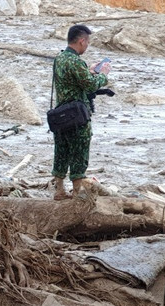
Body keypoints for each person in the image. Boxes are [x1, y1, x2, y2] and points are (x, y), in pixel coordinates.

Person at [52, 24, 110, 200]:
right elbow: (91, 85)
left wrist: (88, 71)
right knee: (79, 150)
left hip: (60, 113)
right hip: (76, 115)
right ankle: (77, 190)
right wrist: (103, 75)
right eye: (87, 42)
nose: (87, 46)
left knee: (61, 150)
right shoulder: (76, 61)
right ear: (82, 41)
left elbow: (72, 80)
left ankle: (59, 189)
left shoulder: (60, 58)